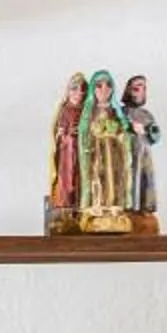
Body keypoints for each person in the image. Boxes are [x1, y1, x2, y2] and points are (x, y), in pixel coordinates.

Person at [77, 70, 133, 228]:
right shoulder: (89, 111)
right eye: (99, 86)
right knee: (98, 178)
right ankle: (97, 206)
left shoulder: (115, 111)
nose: (104, 89)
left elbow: (124, 131)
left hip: (114, 153)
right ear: (93, 90)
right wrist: (94, 135)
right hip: (96, 153)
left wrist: (118, 133)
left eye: (108, 85)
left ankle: (114, 206)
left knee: (113, 178)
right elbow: (84, 133)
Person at [46, 73, 86, 230]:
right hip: (66, 152)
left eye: (83, 90)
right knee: (66, 181)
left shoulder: (86, 111)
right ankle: (64, 209)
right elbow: (56, 131)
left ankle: (80, 211)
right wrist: (63, 134)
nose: (79, 93)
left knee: (80, 180)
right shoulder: (63, 109)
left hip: (82, 153)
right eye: (75, 89)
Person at [121, 74, 161, 218]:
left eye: (142, 87)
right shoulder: (121, 113)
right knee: (129, 177)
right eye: (135, 86)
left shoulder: (146, 115)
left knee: (145, 176)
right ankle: (128, 206)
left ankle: (146, 207)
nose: (138, 90)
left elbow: (156, 135)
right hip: (127, 151)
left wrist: (146, 130)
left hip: (144, 150)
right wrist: (128, 126)